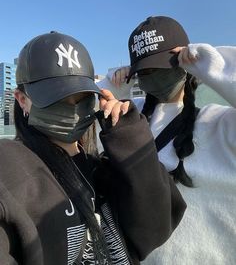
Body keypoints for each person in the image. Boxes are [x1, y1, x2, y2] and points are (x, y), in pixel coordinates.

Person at [0, 31, 186, 265]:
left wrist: (128, 134)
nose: (73, 109)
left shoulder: (103, 170)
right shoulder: (9, 169)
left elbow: (156, 230)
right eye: (55, 98)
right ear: (21, 99)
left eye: (83, 97)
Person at [101, 16, 236, 265]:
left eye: (160, 67)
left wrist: (212, 64)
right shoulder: (130, 115)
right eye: (143, 71)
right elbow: (79, 111)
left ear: (185, 62)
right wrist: (111, 86)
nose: (151, 77)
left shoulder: (221, 123)